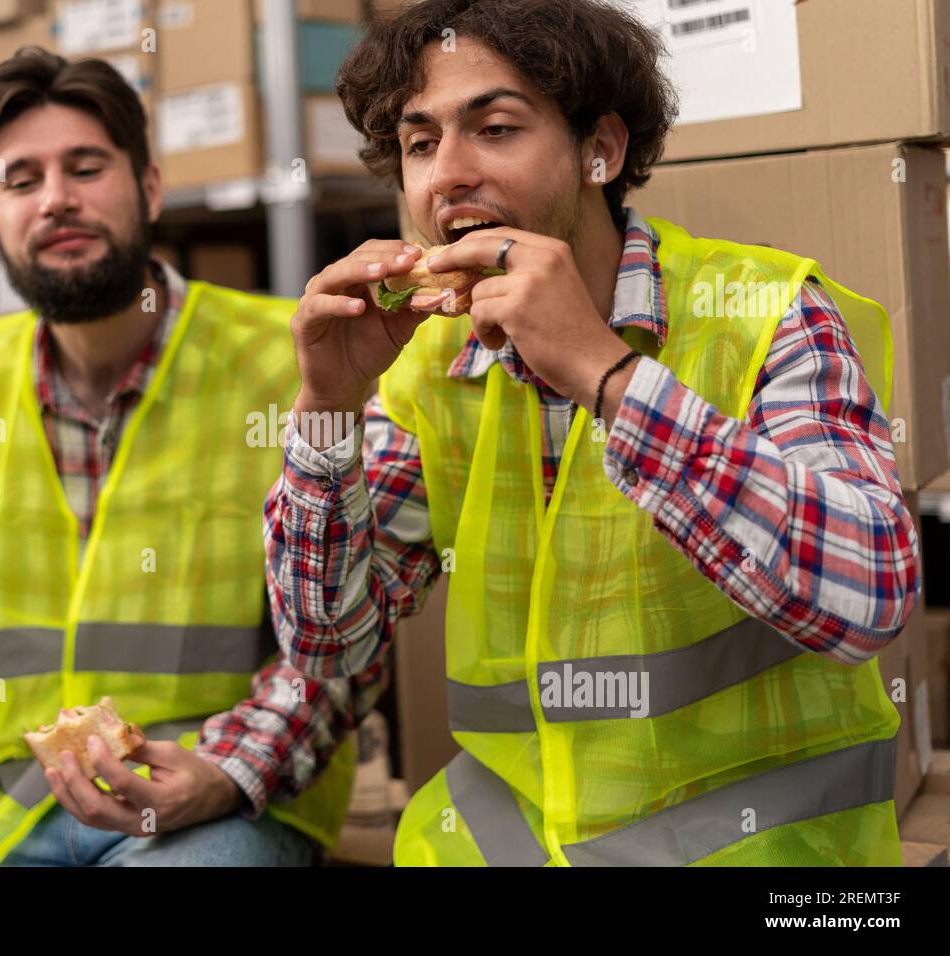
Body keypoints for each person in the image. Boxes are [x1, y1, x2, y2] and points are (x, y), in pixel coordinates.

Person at [267, 0, 921, 866]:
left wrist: (605, 373)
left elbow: (870, 594)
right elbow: (327, 641)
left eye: (493, 128)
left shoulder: (765, 314)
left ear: (600, 150)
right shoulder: (428, 369)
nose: (447, 175)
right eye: (420, 144)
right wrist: (328, 404)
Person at [0, 48, 371, 867]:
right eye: (21, 181)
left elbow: (340, 638)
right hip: (15, 805)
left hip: (220, 798)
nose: (57, 199)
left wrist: (225, 772)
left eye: (86, 168)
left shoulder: (288, 359)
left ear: (150, 189)